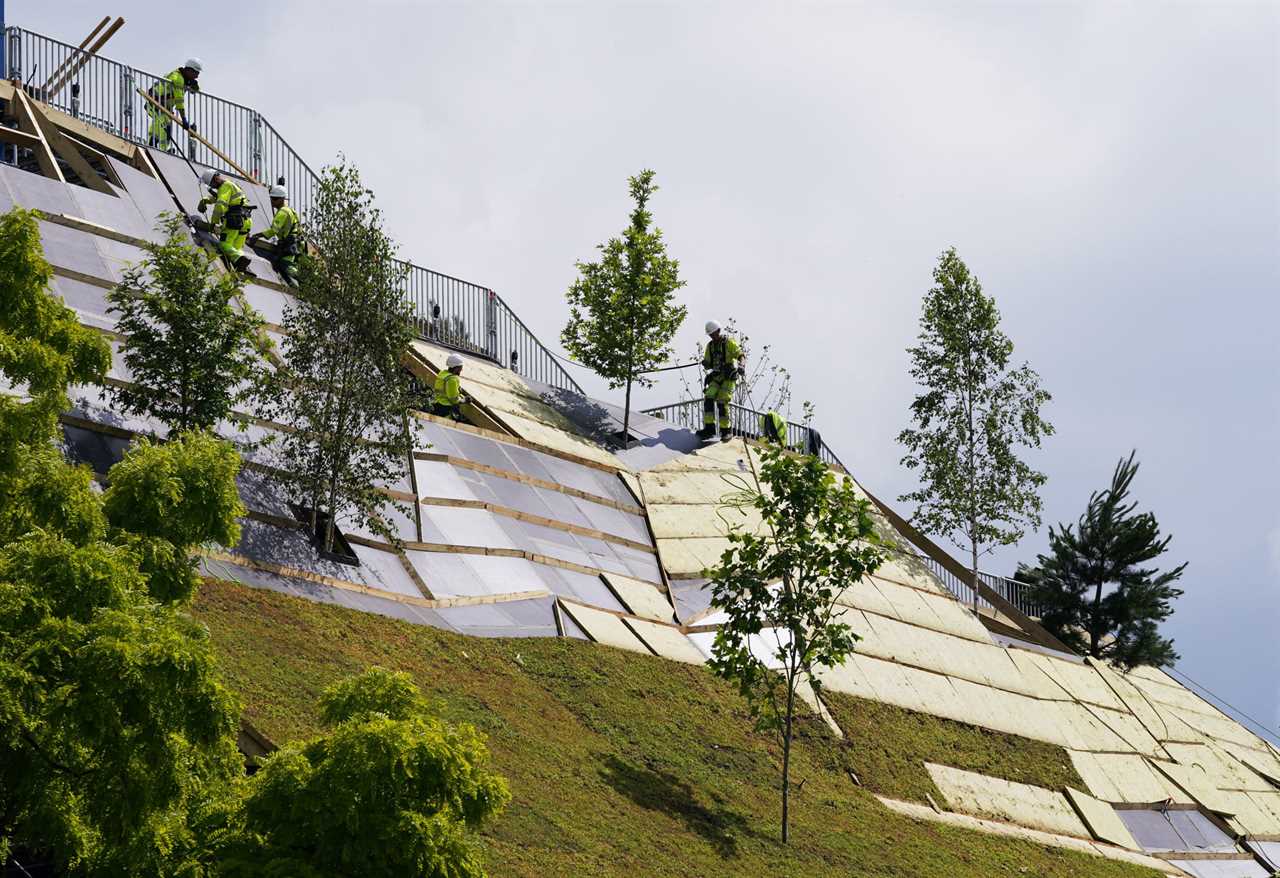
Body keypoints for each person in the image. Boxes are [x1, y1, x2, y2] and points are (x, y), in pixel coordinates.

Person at [196, 168, 253, 273]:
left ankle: (240, 260)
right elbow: (219, 197)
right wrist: (205, 200)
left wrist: (213, 223)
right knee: (235, 248)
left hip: (234, 220)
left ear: (215, 179)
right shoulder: (231, 184)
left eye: (212, 185)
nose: (213, 187)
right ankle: (244, 268)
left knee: (224, 244)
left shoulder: (224, 186)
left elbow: (220, 205)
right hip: (246, 220)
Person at [697, 320, 744, 441]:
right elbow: (709, 364)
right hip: (717, 376)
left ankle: (726, 431)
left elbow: (740, 355)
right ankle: (709, 429)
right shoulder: (710, 346)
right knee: (708, 398)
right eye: (710, 335)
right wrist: (706, 363)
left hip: (728, 377)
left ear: (718, 331)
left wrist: (741, 365)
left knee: (722, 401)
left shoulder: (728, 343)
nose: (712, 336)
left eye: (714, 333)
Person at [146, 58, 201, 152]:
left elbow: (194, 90)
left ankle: (160, 148)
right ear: (189, 70)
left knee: (165, 126)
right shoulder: (177, 78)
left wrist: (195, 87)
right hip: (154, 102)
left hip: (164, 106)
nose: (197, 76)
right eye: (196, 73)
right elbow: (179, 101)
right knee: (162, 123)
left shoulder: (184, 78)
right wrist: (184, 119)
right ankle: (156, 148)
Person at [250, 185, 301, 287]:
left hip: (290, 242)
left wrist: (257, 235)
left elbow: (273, 231)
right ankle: (293, 286)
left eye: (275, 199)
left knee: (285, 265)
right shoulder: (289, 210)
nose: (272, 201)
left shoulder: (283, 212)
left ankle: (309, 282)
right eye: (271, 198)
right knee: (278, 265)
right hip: (292, 242)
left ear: (282, 199)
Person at [433, 354, 465, 420]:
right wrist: (464, 400)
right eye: (460, 367)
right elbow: (453, 399)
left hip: (436, 404)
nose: (461, 370)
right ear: (456, 368)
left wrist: (458, 390)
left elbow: (445, 389)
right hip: (445, 408)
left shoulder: (442, 374)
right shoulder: (452, 380)